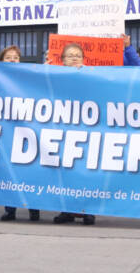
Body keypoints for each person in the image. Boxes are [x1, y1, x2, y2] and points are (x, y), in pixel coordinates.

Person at [52, 43, 96, 226]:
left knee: (86, 173)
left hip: (86, 132)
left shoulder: (92, 77)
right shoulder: (54, 77)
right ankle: (67, 210)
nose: (75, 57)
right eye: (70, 55)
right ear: (62, 60)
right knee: (66, 173)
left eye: (78, 55)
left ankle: (88, 211)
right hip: (63, 132)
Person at [0, 44, 41, 222]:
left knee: (30, 171)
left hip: (27, 130)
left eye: (15, 57)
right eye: (8, 57)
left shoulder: (28, 75)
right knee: (10, 172)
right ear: (1, 61)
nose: (13, 60)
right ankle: (10, 210)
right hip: (7, 131)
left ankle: (34, 208)